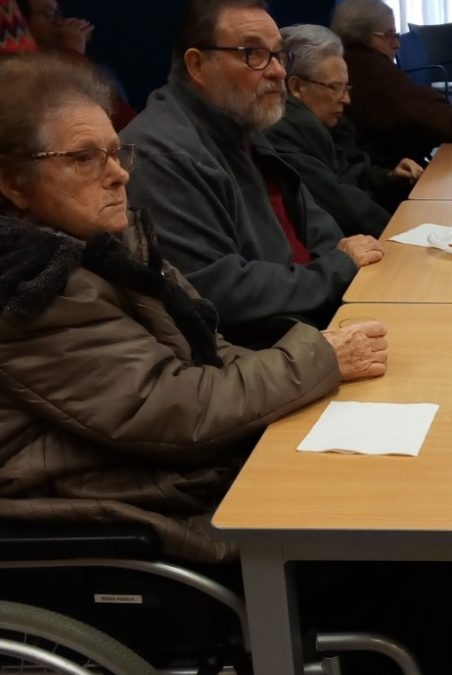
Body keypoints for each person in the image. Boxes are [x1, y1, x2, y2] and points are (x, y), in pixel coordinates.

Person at [0, 53, 389, 565]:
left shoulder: (104, 242)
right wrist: (320, 358)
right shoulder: (30, 286)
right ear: (12, 183)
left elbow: (208, 348)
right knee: (383, 541)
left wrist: (316, 361)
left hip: (181, 473)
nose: (118, 175)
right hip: (138, 512)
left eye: (115, 153)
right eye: (83, 158)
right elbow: (177, 410)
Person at [122, 0, 385, 348]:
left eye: (278, 55)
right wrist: (338, 269)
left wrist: (342, 266)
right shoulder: (161, 153)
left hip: (323, 312)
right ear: (197, 65)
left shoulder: (242, 121)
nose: (277, 71)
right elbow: (217, 291)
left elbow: (315, 225)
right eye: (253, 54)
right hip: (271, 347)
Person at [267, 24, 423, 238]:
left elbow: (352, 174)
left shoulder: (328, 126)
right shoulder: (286, 133)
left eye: (346, 88)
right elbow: (346, 207)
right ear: (296, 87)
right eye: (335, 88)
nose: (346, 99)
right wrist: (407, 236)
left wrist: (390, 177)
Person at [332, 0, 452, 164]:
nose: (397, 44)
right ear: (361, 33)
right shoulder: (369, 67)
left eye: (396, 36)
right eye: (389, 35)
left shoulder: (346, 59)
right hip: (383, 172)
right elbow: (416, 104)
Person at [16, 0, 137, 129]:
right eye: (49, 13)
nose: (60, 22)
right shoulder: (23, 74)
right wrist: (74, 54)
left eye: (58, 13)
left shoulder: (65, 59)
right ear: (21, 21)